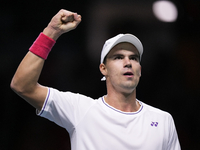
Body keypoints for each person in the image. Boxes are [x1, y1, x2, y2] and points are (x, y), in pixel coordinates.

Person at [11, 9, 181, 150]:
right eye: (118, 57)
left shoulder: (163, 120)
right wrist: (51, 32)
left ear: (140, 70)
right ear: (103, 69)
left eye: (134, 58)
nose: (128, 62)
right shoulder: (79, 110)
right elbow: (22, 85)